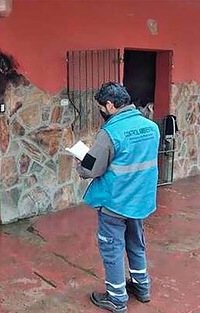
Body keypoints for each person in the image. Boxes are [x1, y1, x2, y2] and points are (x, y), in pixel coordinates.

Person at [76, 82, 160, 313]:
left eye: (101, 107)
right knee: (136, 244)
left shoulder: (110, 133)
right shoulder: (151, 127)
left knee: (111, 249)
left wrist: (81, 163)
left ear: (111, 105)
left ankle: (116, 298)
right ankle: (142, 287)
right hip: (140, 200)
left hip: (115, 203)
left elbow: (91, 169)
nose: (101, 112)